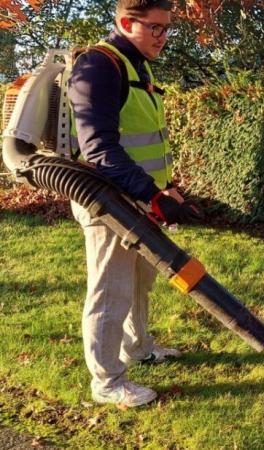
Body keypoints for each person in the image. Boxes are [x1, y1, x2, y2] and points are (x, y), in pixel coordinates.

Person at [69, 0, 201, 407]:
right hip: (107, 200)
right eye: (155, 29)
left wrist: (166, 188)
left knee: (141, 280)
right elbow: (99, 149)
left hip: (139, 198)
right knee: (112, 289)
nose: (163, 38)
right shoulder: (98, 65)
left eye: (167, 30)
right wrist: (151, 194)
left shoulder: (137, 65)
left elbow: (145, 140)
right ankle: (106, 381)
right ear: (126, 22)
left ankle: (138, 346)